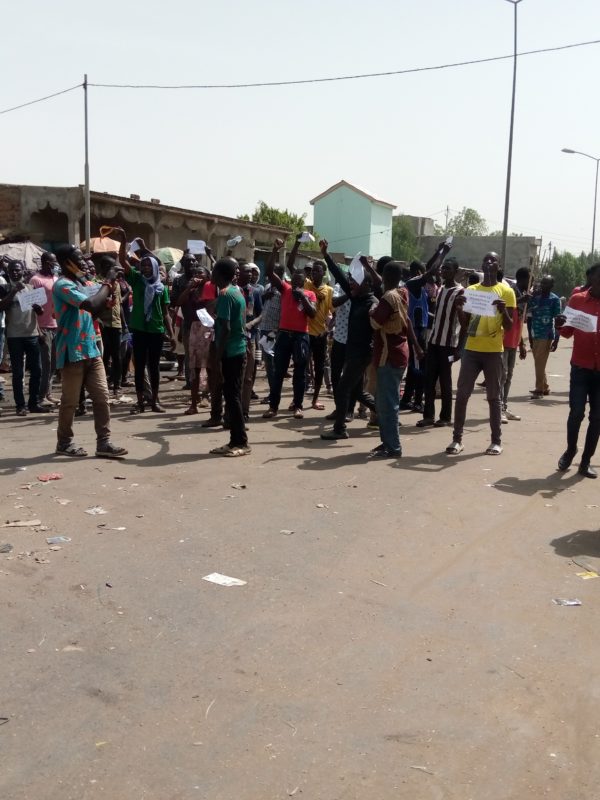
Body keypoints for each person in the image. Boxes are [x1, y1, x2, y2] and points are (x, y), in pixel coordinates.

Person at [53, 245, 127, 458]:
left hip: (91, 348)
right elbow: (91, 303)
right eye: (79, 259)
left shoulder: (83, 283)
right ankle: (64, 442)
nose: (85, 262)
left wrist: (109, 293)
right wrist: (106, 282)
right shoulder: (63, 286)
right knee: (70, 401)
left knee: (102, 397)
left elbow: (98, 307)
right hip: (72, 351)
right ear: (67, 262)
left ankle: (103, 443)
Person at [446, 252, 516, 456]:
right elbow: (466, 325)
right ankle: (457, 439)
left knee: (494, 397)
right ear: (482, 265)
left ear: (499, 265)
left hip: (493, 351)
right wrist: (459, 308)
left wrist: (503, 311)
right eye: (485, 260)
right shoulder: (472, 291)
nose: (488, 262)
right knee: (462, 395)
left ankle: (496, 441)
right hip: (472, 350)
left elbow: (510, 327)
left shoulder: (506, 291)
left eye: (493, 260)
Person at [319, 240, 378, 440]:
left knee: (344, 388)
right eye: (351, 281)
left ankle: (339, 428)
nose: (351, 284)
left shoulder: (372, 303)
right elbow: (338, 274)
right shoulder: (356, 297)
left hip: (362, 354)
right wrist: (326, 255)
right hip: (353, 352)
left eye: (355, 282)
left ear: (367, 285)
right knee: (356, 390)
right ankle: (388, 415)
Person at [262, 237, 316, 420]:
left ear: (304, 283)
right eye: (293, 281)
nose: (295, 284)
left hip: (301, 336)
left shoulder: (309, 294)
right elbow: (269, 271)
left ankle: (298, 406)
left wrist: (302, 296)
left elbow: (313, 314)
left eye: (299, 282)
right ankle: (273, 407)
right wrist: (274, 250)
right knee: (278, 372)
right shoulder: (284, 289)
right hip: (284, 335)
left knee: (300, 373)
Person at [555, 262, 600, 478]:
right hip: (581, 368)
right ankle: (571, 450)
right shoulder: (577, 300)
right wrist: (559, 325)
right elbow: (566, 332)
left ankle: (585, 462)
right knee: (576, 413)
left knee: (597, 418)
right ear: (592, 278)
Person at [122, 236, 176, 414]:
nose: (145, 268)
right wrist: (124, 242)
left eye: (148, 265)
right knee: (139, 367)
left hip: (156, 330)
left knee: (154, 367)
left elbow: (166, 313)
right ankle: (140, 401)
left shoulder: (161, 288)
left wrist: (171, 335)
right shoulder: (137, 280)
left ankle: (154, 400)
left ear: (154, 268)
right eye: (142, 265)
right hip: (139, 329)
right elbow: (123, 261)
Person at [368, 260, 415, 457]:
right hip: (398, 352)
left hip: (389, 355)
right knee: (384, 401)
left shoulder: (388, 297)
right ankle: (386, 441)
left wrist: (372, 309)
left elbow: (375, 322)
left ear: (385, 277)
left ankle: (393, 447)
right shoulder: (403, 293)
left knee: (388, 403)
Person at [209, 257, 251, 457]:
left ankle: (241, 442)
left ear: (219, 275)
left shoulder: (226, 295)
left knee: (232, 397)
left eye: (213, 271)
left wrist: (217, 357)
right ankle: (235, 440)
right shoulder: (236, 292)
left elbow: (225, 328)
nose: (211, 275)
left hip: (231, 351)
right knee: (232, 395)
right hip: (237, 349)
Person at [417, 256, 464, 428]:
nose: (444, 272)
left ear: (456, 272)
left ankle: (445, 417)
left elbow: (464, 321)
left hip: (449, 344)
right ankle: (428, 415)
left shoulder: (461, 292)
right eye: (443, 269)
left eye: (448, 269)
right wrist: (440, 252)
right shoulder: (441, 288)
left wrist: (459, 348)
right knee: (429, 380)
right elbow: (429, 267)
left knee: (445, 381)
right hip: (434, 341)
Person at [0, 260, 49, 416]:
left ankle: (33, 403)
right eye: (12, 270)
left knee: (37, 370)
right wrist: (13, 291)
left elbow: (39, 312)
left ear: (23, 271)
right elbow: (1, 307)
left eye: (18, 270)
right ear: (8, 272)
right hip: (15, 335)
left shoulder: (31, 288)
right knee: (18, 373)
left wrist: (38, 309)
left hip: (32, 334)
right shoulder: (4, 288)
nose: (15, 273)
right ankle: (20, 405)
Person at [500, 266, 530, 422]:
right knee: (502, 375)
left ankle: (504, 406)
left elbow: (521, 321)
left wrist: (522, 344)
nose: (530, 283)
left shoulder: (524, 294)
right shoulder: (511, 291)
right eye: (529, 279)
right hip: (504, 339)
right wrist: (520, 301)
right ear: (523, 279)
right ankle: (498, 408)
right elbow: (505, 307)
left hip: (514, 340)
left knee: (509, 375)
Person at [30, 251, 58, 405]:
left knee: (53, 363)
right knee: (45, 363)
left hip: (56, 326)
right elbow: (31, 305)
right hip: (43, 326)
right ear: (46, 262)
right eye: (53, 262)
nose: (55, 264)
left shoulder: (56, 278)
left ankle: (48, 393)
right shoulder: (36, 280)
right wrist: (38, 330)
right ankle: (40, 396)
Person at [305, 259, 333, 410]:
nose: (314, 273)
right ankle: (297, 399)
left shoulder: (328, 291)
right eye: (313, 271)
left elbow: (334, 313)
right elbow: (290, 266)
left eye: (317, 270)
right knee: (301, 365)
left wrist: (329, 329)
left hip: (320, 335)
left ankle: (315, 399)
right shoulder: (307, 285)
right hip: (305, 332)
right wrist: (297, 244)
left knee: (320, 368)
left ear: (323, 273)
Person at [527, 275, 561, 398]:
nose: (543, 286)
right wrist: (531, 296)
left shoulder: (555, 300)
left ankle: (539, 390)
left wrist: (556, 339)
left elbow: (558, 320)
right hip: (535, 333)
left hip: (546, 335)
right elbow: (528, 311)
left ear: (552, 286)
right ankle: (545, 387)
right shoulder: (536, 298)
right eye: (542, 283)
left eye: (546, 284)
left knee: (539, 363)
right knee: (539, 362)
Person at [96, 255, 124, 401]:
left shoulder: (117, 283)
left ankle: (117, 386)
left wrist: (124, 325)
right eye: (109, 267)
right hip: (102, 324)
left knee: (117, 356)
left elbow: (119, 305)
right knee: (103, 356)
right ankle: (104, 385)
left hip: (116, 323)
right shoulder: (97, 282)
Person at [237, 262, 263, 419]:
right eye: (245, 272)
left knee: (248, 377)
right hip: (233, 339)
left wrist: (251, 324)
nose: (249, 274)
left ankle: (244, 411)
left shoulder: (255, 292)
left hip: (250, 338)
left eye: (251, 272)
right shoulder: (231, 292)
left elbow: (261, 314)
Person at [170, 252, 199, 389]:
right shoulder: (178, 281)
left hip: (203, 323)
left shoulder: (203, 278)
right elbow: (175, 301)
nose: (192, 263)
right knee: (189, 354)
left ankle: (200, 385)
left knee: (202, 355)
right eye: (188, 261)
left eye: (194, 261)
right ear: (183, 264)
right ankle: (190, 382)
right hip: (187, 321)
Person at [258, 263, 285, 405]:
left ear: (280, 273)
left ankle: (275, 394)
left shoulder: (284, 289)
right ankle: (272, 392)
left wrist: (276, 330)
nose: (270, 274)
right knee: (268, 364)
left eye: (274, 271)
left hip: (276, 330)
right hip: (264, 329)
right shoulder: (268, 287)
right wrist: (264, 296)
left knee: (275, 364)